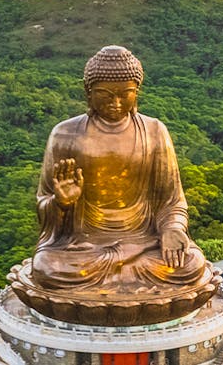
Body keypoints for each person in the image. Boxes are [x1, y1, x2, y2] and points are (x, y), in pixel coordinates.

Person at [30, 45, 209, 293]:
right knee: (46, 267)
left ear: (137, 92)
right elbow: (43, 204)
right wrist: (61, 203)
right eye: (105, 94)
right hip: (85, 246)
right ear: (88, 92)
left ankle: (118, 278)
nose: (115, 103)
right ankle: (124, 280)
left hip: (143, 243)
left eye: (125, 94)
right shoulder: (65, 134)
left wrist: (172, 229)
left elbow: (172, 201)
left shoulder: (155, 132)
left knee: (190, 265)